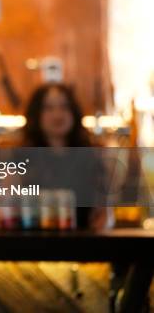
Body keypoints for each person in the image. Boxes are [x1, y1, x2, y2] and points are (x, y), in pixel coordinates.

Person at [21, 82, 112, 230]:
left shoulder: (91, 157)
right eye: (49, 108)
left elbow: (105, 214)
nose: (58, 114)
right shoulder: (21, 158)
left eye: (64, 107)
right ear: (36, 114)